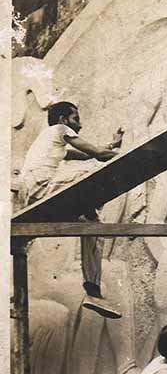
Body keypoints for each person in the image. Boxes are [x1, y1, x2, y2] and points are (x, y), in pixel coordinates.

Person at [20, 100, 124, 319]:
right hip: (42, 185)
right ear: (62, 119)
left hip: (34, 192)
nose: (80, 124)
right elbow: (97, 155)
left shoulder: (50, 144)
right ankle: (89, 206)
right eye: (75, 118)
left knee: (93, 226)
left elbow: (88, 153)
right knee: (95, 169)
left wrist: (113, 145)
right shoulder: (59, 130)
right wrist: (127, 156)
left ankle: (93, 292)